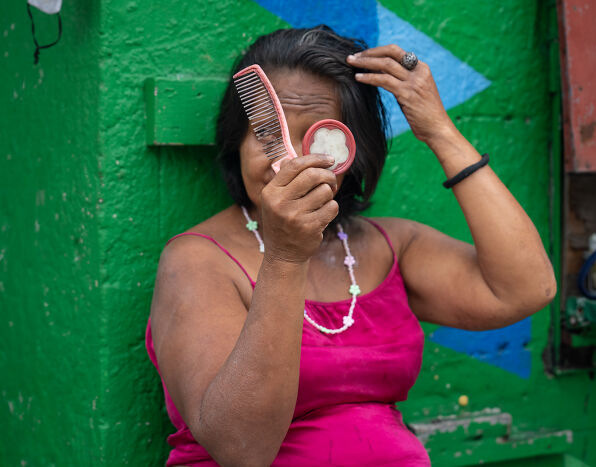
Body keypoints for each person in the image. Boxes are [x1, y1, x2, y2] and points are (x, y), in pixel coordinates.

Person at [146, 26, 557, 467]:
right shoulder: (197, 261)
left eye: (318, 140)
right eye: (268, 134)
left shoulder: (388, 246)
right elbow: (241, 449)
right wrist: (287, 256)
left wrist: (440, 131)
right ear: (237, 141)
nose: (291, 161)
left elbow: (525, 288)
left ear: (352, 155)